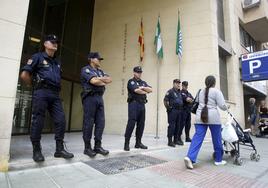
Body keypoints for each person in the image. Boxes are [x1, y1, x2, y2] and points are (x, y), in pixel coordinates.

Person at [20, 34, 74, 162]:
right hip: (42, 92)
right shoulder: (37, 57)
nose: (55, 44)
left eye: (56, 42)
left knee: (61, 120)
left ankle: (59, 149)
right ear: (45, 44)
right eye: (52, 41)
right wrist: (33, 85)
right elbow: (24, 75)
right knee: (38, 120)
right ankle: (37, 150)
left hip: (55, 94)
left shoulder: (57, 61)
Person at [184, 75, 228, 169]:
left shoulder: (201, 91)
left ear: (205, 82)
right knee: (217, 138)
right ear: (214, 83)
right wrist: (227, 107)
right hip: (213, 118)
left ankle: (190, 157)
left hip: (200, 117)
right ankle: (218, 160)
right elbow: (222, 105)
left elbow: (197, 102)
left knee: (197, 138)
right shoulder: (217, 91)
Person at [80, 52, 112, 157]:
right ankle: (87, 148)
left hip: (99, 98)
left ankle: (97, 146)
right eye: (98, 59)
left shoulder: (100, 71)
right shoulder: (86, 69)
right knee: (88, 123)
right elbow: (93, 81)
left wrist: (99, 80)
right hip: (90, 98)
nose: (99, 61)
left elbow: (109, 80)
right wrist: (100, 80)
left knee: (100, 123)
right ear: (91, 59)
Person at [124, 66, 152, 151]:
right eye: (137, 72)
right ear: (134, 72)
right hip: (133, 104)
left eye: (140, 72)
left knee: (141, 124)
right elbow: (136, 91)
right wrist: (144, 91)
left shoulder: (143, 82)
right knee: (131, 123)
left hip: (142, 105)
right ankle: (126, 143)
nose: (139, 74)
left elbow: (151, 89)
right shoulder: (131, 81)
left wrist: (143, 88)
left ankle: (138, 143)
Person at [164, 79, 184, 147]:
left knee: (178, 126)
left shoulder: (179, 92)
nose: (178, 85)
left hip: (179, 111)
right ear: (173, 84)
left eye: (179, 83)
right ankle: (170, 141)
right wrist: (168, 108)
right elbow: (165, 100)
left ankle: (176, 140)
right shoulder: (170, 91)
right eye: (177, 83)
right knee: (172, 126)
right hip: (173, 111)